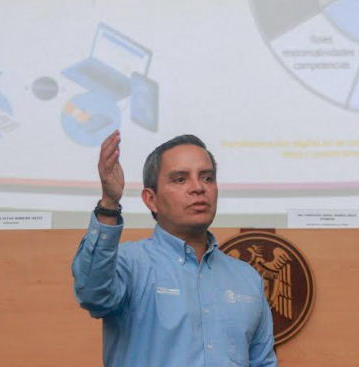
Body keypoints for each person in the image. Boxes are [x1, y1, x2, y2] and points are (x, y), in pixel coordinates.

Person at [72, 131, 277, 367]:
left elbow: (263, 362)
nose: (198, 187)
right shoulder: (129, 264)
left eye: (207, 178)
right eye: (180, 179)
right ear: (151, 200)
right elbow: (93, 296)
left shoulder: (247, 278)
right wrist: (109, 203)